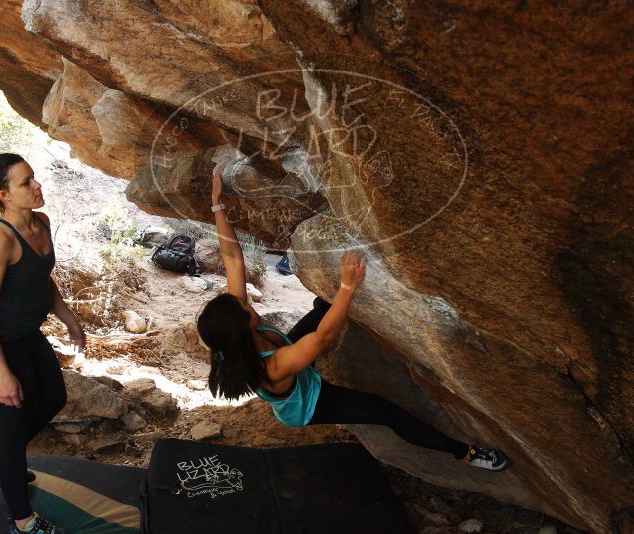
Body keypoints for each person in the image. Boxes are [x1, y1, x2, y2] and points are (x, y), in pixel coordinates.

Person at [196, 162, 510, 471]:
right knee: (385, 412)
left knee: (323, 307)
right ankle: (467, 453)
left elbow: (232, 259)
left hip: (289, 352)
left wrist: (216, 205)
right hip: (310, 401)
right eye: (246, 308)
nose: (248, 303)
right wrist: (347, 287)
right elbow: (323, 337)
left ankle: (326, 315)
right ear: (241, 327)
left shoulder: (239, 328)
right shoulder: (274, 367)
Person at [0, 153, 85, 534]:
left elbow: (41, 278)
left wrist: (70, 319)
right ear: (3, 195)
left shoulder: (42, 222)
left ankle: (5, 463)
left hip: (30, 336)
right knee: (13, 435)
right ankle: (22, 520)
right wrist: (2, 375)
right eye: (25, 183)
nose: (37, 187)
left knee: (53, 400)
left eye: (34, 178)